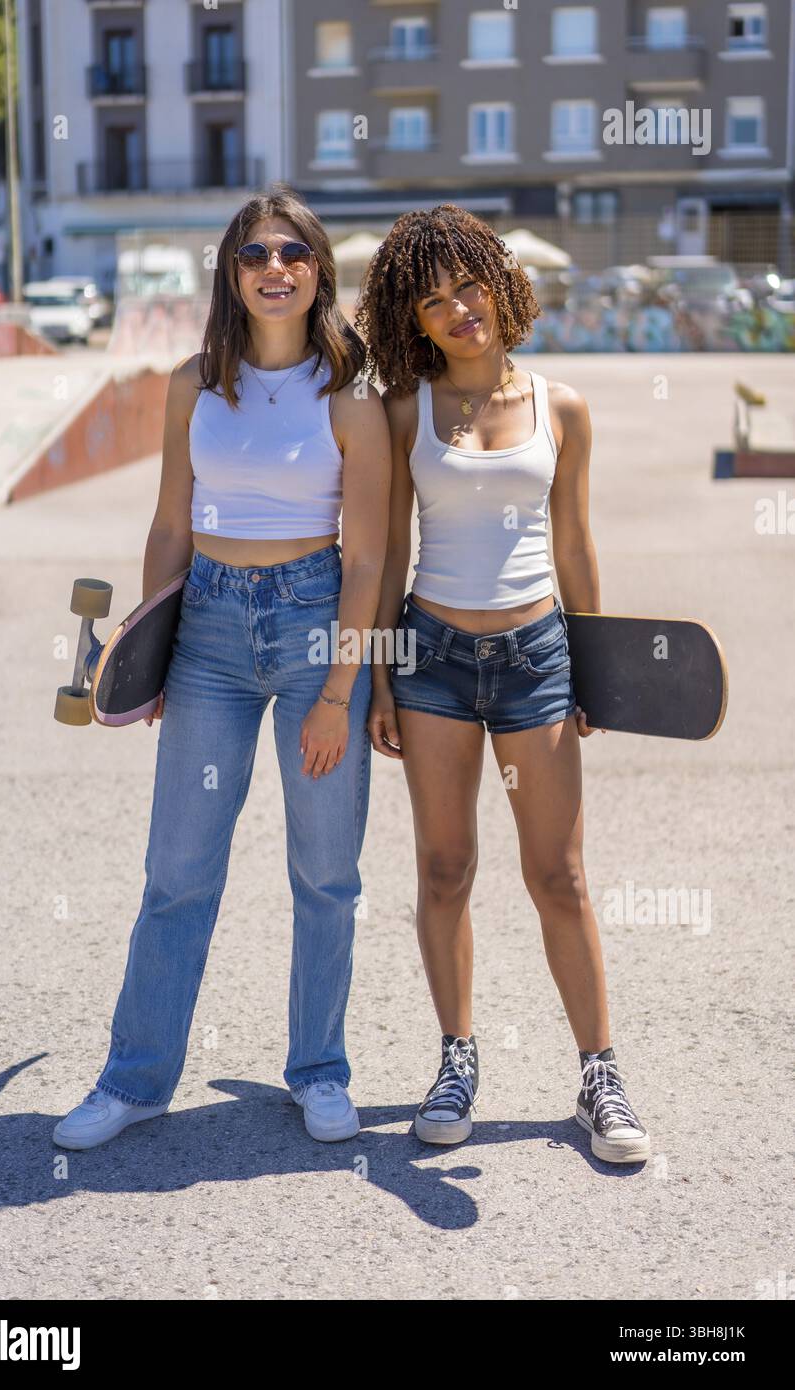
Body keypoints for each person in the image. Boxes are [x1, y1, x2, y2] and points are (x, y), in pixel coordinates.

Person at [54, 187, 390, 1150]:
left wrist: (338, 695)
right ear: (231, 274)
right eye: (254, 254)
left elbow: (365, 557)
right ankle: (136, 1080)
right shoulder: (192, 383)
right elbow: (170, 519)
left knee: (326, 872)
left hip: (315, 626)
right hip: (206, 632)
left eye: (292, 252)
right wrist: (145, 650)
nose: (274, 268)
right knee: (178, 870)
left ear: (318, 269)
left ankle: (319, 1069)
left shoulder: (351, 398)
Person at [358, 204, 650, 1163]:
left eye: (468, 286)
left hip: (536, 659)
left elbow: (573, 543)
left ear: (498, 281)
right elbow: (391, 549)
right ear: (416, 317)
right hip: (435, 658)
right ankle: (456, 1059)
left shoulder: (562, 407)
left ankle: (599, 1074)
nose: (457, 310)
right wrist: (386, 680)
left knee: (558, 877)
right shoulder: (406, 409)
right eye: (434, 300)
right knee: (445, 871)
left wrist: (597, 670)